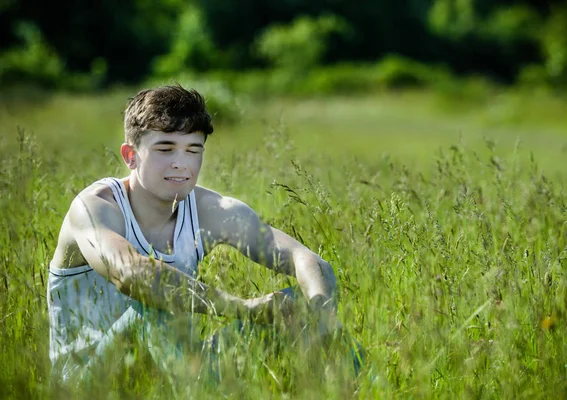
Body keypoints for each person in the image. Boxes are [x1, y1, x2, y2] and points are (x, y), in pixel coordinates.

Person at [47, 84, 360, 384]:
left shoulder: (212, 209)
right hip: (90, 380)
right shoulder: (94, 208)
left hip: (173, 370)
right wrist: (243, 307)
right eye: (165, 149)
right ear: (131, 155)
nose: (181, 163)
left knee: (297, 304)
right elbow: (132, 275)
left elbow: (306, 259)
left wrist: (320, 317)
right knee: (154, 302)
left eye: (192, 150)